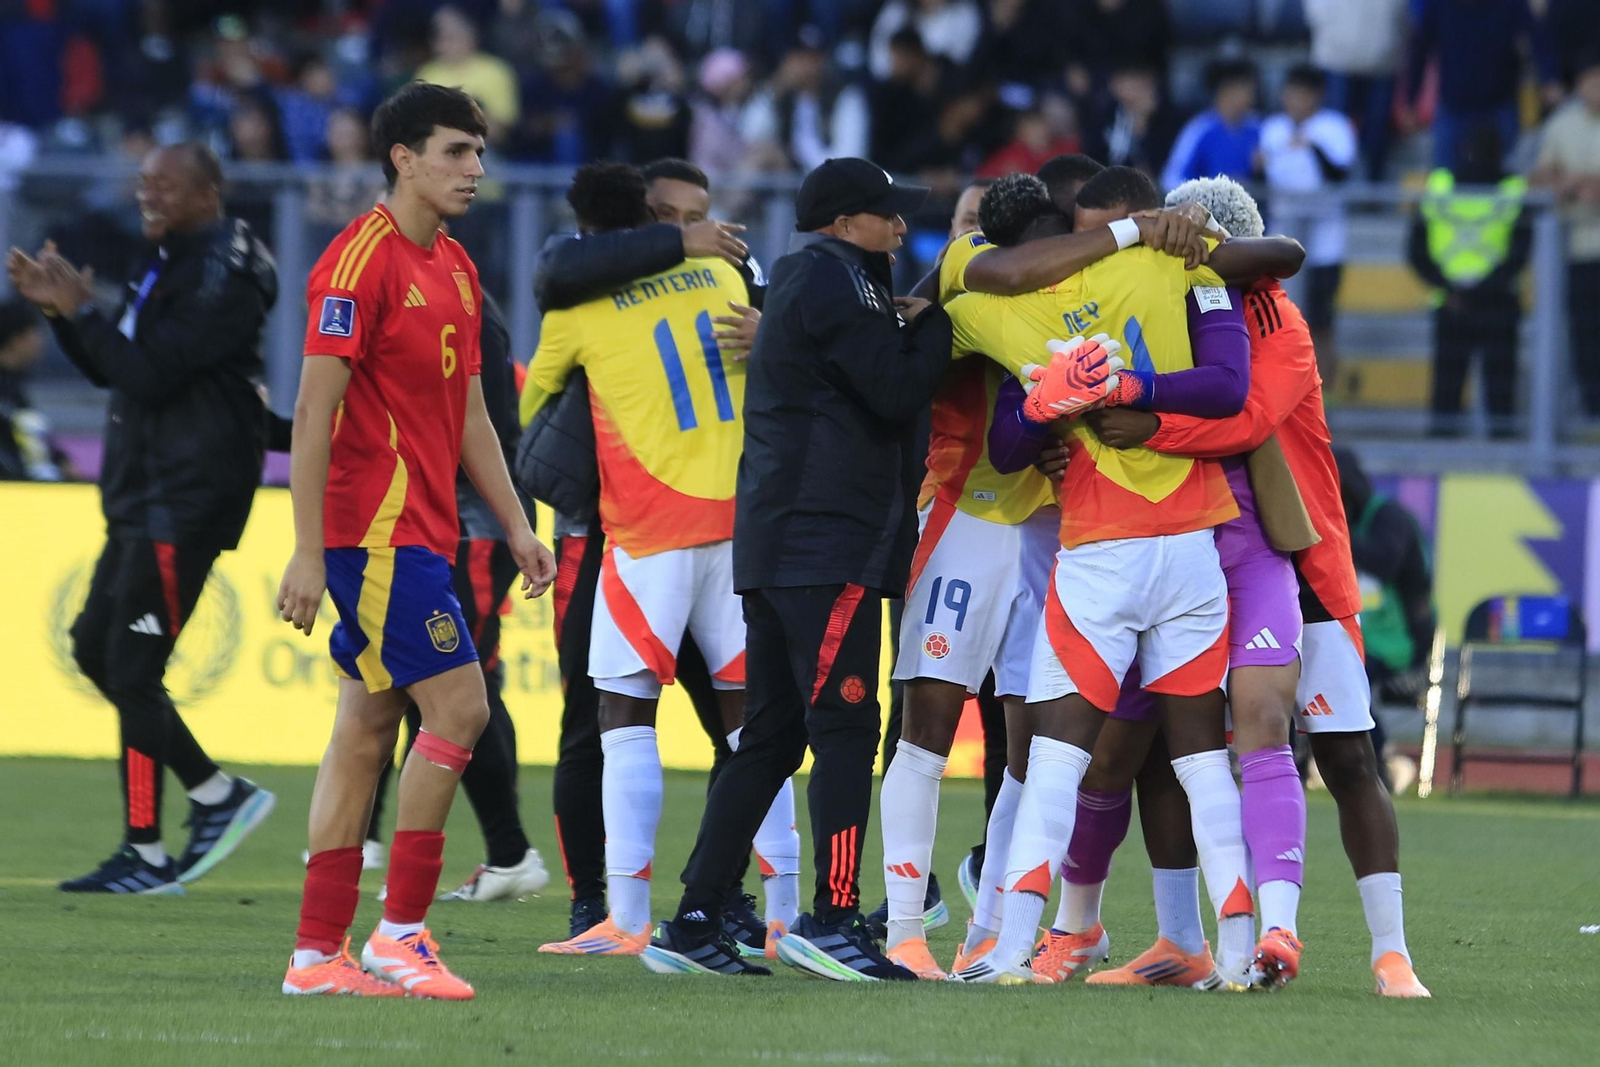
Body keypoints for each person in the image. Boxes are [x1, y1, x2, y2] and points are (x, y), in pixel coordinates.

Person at [943, 167, 1295, 984]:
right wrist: (1103, 395)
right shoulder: (1192, 271)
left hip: (1100, 555)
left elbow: (999, 431)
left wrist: (1055, 402)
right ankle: (1238, 958)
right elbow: (1226, 385)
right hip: (1191, 554)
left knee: (1057, 759)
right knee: (1202, 760)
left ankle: (1005, 952)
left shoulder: (1006, 309)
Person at [1089, 174, 1431, 998]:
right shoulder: (1169, 304)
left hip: (1297, 557)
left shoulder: (1273, 312)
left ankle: (1392, 953)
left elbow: (1245, 416)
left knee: (1347, 755)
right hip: (1190, 556)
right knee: (1180, 752)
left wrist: (1146, 419)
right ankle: (1182, 938)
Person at [276, 82, 556, 1000]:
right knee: (463, 708)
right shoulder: (357, 263)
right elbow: (313, 413)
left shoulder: (459, 267)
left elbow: (473, 407)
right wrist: (308, 549)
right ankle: (400, 933)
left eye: (478, 152)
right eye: (456, 152)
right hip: (375, 536)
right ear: (402, 156)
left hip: (425, 534)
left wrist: (515, 523)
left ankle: (318, 956)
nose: (475, 169)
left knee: (366, 731)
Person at [643, 157, 951, 981]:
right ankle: (835, 915)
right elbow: (894, 390)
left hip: (784, 545)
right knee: (845, 729)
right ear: (846, 222)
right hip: (828, 545)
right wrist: (935, 323)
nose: (900, 227)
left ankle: (696, 917)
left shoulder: (809, 277)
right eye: (887, 215)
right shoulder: (835, 278)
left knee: (772, 739)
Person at [526, 158, 791, 955]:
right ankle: (786, 914)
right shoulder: (721, 278)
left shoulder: (580, 303)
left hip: (647, 531)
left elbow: (526, 410)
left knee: (620, 713)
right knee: (755, 723)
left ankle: (627, 916)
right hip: (739, 527)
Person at [6, 143, 279, 895]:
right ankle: (219, 795)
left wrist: (79, 314)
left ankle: (146, 850)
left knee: (131, 668)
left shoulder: (221, 268)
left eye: (166, 184)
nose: (146, 194)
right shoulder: (171, 258)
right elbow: (113, 364)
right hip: (147, 492)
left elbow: (151, 374)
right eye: (143, 182)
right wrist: (65, 317)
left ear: (211, 191)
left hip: (184, 495)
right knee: (95, 649)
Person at [1407, 125, 1531, 437]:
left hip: (1464, 300)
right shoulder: (1512, 189)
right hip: (1485, 298)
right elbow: (1416, 248)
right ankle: (1470, 446)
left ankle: (1454, 445)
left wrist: (1450, 288)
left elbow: (1521, 249)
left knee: (1487, 387)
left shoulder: (1441, 185)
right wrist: (1471, 290)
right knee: (1457, 385)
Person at [1259, 64, 1357, 383]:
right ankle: (1285, 388)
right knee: (1281, 320)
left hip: (1325, 241)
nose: (1295, 100)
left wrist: (1312, 147)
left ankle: (1324, 389)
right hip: (1281, 239)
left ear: (1317, 95)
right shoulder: (1272, 128)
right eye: (1290, 93)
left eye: (1302, 93)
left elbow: (1339, 173)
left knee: (1321, 319)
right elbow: (1260, 173)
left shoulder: (1334, 127)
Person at [1403, 0, 1561, 171]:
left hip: (1500, 105)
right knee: (1444, 176)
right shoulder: (1440, 5)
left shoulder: (1510, 4)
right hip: (1453, 105)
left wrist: (1550, 79)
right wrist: (1411, 100)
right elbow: (1420, 50)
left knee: (1505, 175)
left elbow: (1536, 38)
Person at [1336, 447, 1435, 710]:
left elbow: (1384, 564)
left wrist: (1333, 530)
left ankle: (1374, 749)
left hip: (1397, 643)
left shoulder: (1389, 518)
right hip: (1351, 638)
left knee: (1346, 679)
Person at [1531, 52, 1600, 418]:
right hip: (1577, 250)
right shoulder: (1561, 125)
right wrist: (1569, 184)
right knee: (1585, 332)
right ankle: (1592, 409)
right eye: (1591, 79)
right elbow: (1539, 177)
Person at [1305, 0, 1408, 180]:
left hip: (1381, 62)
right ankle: (1336, 193)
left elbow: (1402, 11)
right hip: (1335, 59)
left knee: (1376, 139)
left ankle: (1372, 195)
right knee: (1333, 137)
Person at [1161, 60, 1261, 194]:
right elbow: (1171, 178)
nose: (1249, 97)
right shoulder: (1199, 129)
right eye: (1241, 90)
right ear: (1224, 92)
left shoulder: (1258, 128)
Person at [0, 297, 71, 481]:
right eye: (36, 333)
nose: (41, 342)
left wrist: (59, 458)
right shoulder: (6, 393)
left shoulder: (13, 387)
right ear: (18, 339)